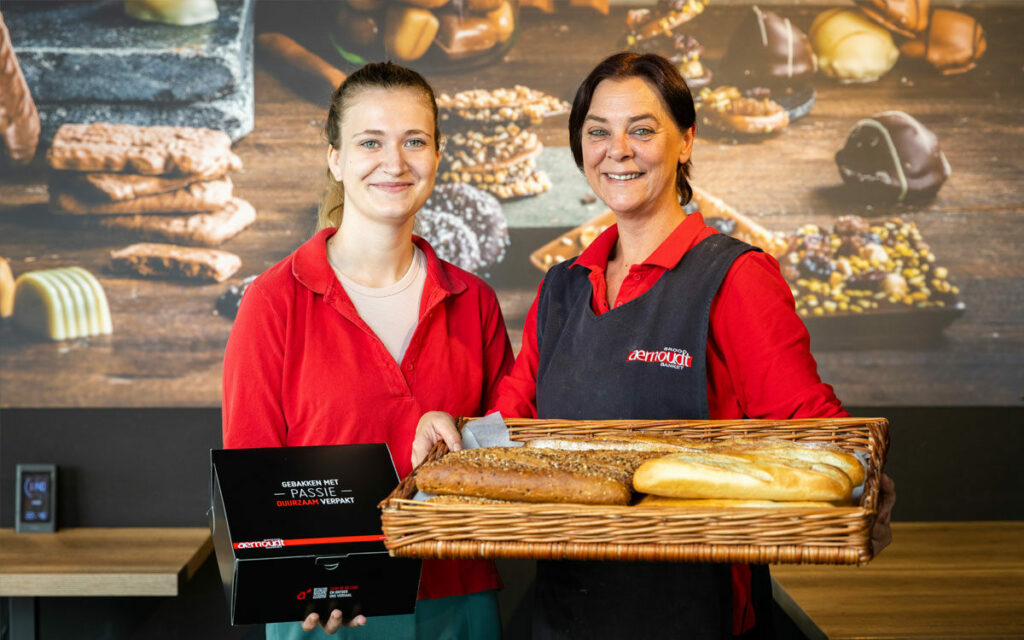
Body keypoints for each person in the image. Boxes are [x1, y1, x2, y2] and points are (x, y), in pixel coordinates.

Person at [413, 52, 895, 639]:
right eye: (598, 132)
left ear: (686, 140)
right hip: (567, 608)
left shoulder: (736, 277)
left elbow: (805, 421)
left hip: (697, 610)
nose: (618, 149)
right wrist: (456, 436)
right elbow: (513, 431)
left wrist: (865, 477)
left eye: (642, 129)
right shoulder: (563, 286)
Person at [223, 61, 513, 640]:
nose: (395, 162)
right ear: (335, 157)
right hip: (324, 613)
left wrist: (461, 428)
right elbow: (254, 479)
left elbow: (509, 444)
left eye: (414, 141)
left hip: (454, 601)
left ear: (437, 155)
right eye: (370, 142)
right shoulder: (273, 301)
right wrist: (300, 582)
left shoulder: (473, 301)